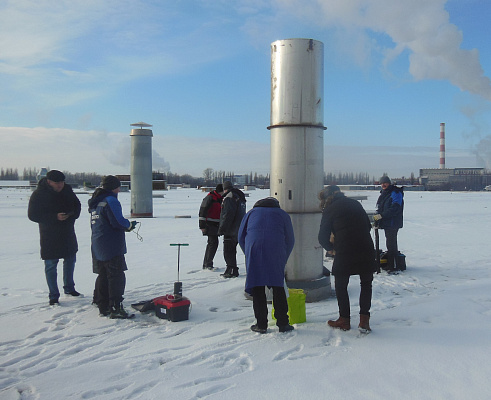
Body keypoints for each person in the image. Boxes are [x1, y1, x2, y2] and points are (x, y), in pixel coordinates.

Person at [318, 185, 374, 333]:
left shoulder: (330, 209)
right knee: (366, 284)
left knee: (341, 286)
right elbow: (368, 226)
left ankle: (344, 320)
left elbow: (322, 236)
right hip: (366, 248)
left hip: (345, 250)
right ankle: (364, 321)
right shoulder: (355, 203)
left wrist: (330, 248)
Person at [238, 197, 295, 334]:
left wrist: (248, 253)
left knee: (257, 286)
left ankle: (261, 324)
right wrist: (283, 258)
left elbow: (240, 236)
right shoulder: (282, 214)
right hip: (276, 250)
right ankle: (283, 323)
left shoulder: (251, 213)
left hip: (254, 249)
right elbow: (290, 239)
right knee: (278, 285)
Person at [28, 170, 82, 305]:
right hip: (49, 234)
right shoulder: (39, 194)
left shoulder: (68, 191)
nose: (60, 185)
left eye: (62, 182)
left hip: (67, 232)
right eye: (57, 183)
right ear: (49, 182)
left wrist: (71, 215)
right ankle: (53, 295)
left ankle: (69, 288)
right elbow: (32, 215)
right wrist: (54, 217)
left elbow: (77, 205)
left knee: (70, 260)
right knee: (51, 264)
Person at [88, 176, 137, 319]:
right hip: (111, 245)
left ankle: (102, 304)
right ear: (114, 188)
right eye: (118, 187)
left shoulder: (97, 202)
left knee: (103, 275)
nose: (119, 190)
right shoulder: (111, 200)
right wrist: (129, 225)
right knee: (116, 276)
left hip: (98, 243)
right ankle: (115, 307)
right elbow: (118, 221)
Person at [374, 176, 404, 272]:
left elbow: (395, 208)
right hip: (387, 222)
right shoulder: (384, 194)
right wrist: (378, 217)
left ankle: (393, 266)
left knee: (391, 244)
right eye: (381, 183)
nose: (383, 185)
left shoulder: (395, 192)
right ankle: (391, 264)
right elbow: (381, 207)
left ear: (389, 183)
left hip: (393, 223)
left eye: (385, 183)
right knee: (390, 243)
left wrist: (381, 216)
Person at [218, 181, 246, 278]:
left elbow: (228, 214)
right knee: (233, 250)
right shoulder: (240, 196)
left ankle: (231, 270)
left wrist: (222, 228)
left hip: (231, 229)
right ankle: (232, 269)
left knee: (228, 250)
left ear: (225, 189)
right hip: (240, 227)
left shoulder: (229, 197)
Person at [198, 184, 224, 270]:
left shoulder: (220, 198)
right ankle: (207, 264)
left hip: (216, 224)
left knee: (212, 244)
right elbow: (202, 211)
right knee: (213, 243)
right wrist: (202, 225)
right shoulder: (210, 198)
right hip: (209, 224)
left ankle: (207, 263)